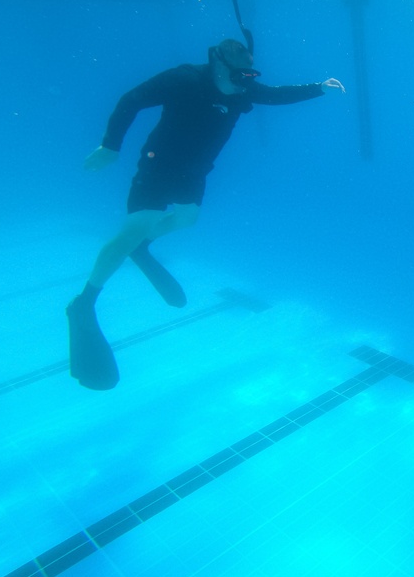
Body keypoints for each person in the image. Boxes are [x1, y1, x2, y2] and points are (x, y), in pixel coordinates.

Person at [66, 38, 345, 389]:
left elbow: (274, 95)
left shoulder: (243, 89)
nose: (244, 71)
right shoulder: (184, 79)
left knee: (186, 219)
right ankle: (84, 302)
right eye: (236, 63)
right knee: (136, 228)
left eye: (247, 65)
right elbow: (131, 100)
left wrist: (318, 88)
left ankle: (139, 248)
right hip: (158, 166)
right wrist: (111, 146)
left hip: (194, 173)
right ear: (217, 61)